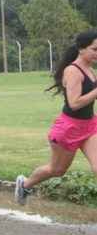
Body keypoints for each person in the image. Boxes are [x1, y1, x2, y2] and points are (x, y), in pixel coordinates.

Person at [16, 30, 97, 205]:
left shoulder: (90, 69)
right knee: (57, 170)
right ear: (81, 49)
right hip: (69, 129)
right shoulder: (73, 71)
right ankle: (25, 184)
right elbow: (74, 103)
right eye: (94, 49)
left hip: (89, 126)